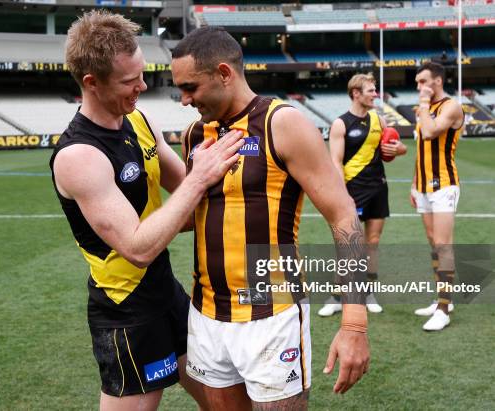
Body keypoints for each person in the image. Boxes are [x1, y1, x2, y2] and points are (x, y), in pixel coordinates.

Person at [50, 11, 245, 410]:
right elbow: (138, 247)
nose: (142, 86)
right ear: (90, 82)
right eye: (128, 81)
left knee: (228, 402)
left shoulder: (138, 119)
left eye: (142, 74)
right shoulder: (79, 156)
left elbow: (190, 194)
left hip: (167, 292)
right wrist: (197, 181)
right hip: (126, 310)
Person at [171, 27, 370, 410]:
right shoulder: (195, 134)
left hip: (270, 317)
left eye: (191, 87)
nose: (183, 99)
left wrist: (354, 323)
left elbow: (343, 215)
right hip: (207, 316)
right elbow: (192, 215)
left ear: (225, 74)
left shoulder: (283, 123)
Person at [321, 73, 407, 317]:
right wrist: (343, 193)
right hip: (352, 191)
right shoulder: (340, 124)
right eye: (370, 90)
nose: (375, 94)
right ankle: (338, 296)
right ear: (356, 93)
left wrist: (398, 149)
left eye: (375, 90)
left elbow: (396, 148)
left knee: (373, 243)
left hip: (378, 187)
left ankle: (368, 293)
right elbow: (335, 161)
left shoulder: (379, 120)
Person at [410, 62, 464, 331]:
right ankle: (443, 299)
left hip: (444, 184)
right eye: (418, 83)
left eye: (423, 81)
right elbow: (421, 148)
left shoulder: (450, 106)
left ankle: (443, 309)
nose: (419, 87)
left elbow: (431, 132)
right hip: (423, 186)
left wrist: (422, 102)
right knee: (433, 242)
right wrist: (413, 184)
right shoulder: (425, 109)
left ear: (437, 82)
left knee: (443, 244)